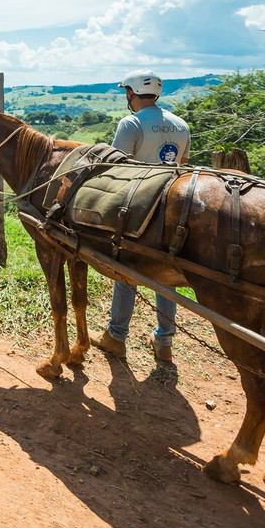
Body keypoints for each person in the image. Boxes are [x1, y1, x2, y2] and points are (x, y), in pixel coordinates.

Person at [93, 69, 191, 363]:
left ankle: (116, 335)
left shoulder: (131, 123)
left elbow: (115, 168)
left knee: (126, 271)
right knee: (168, 275)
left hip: (138, 206)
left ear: (130, 94)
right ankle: (164, 341)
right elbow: (183, 165)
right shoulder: (181, 124)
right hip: (174, 207)